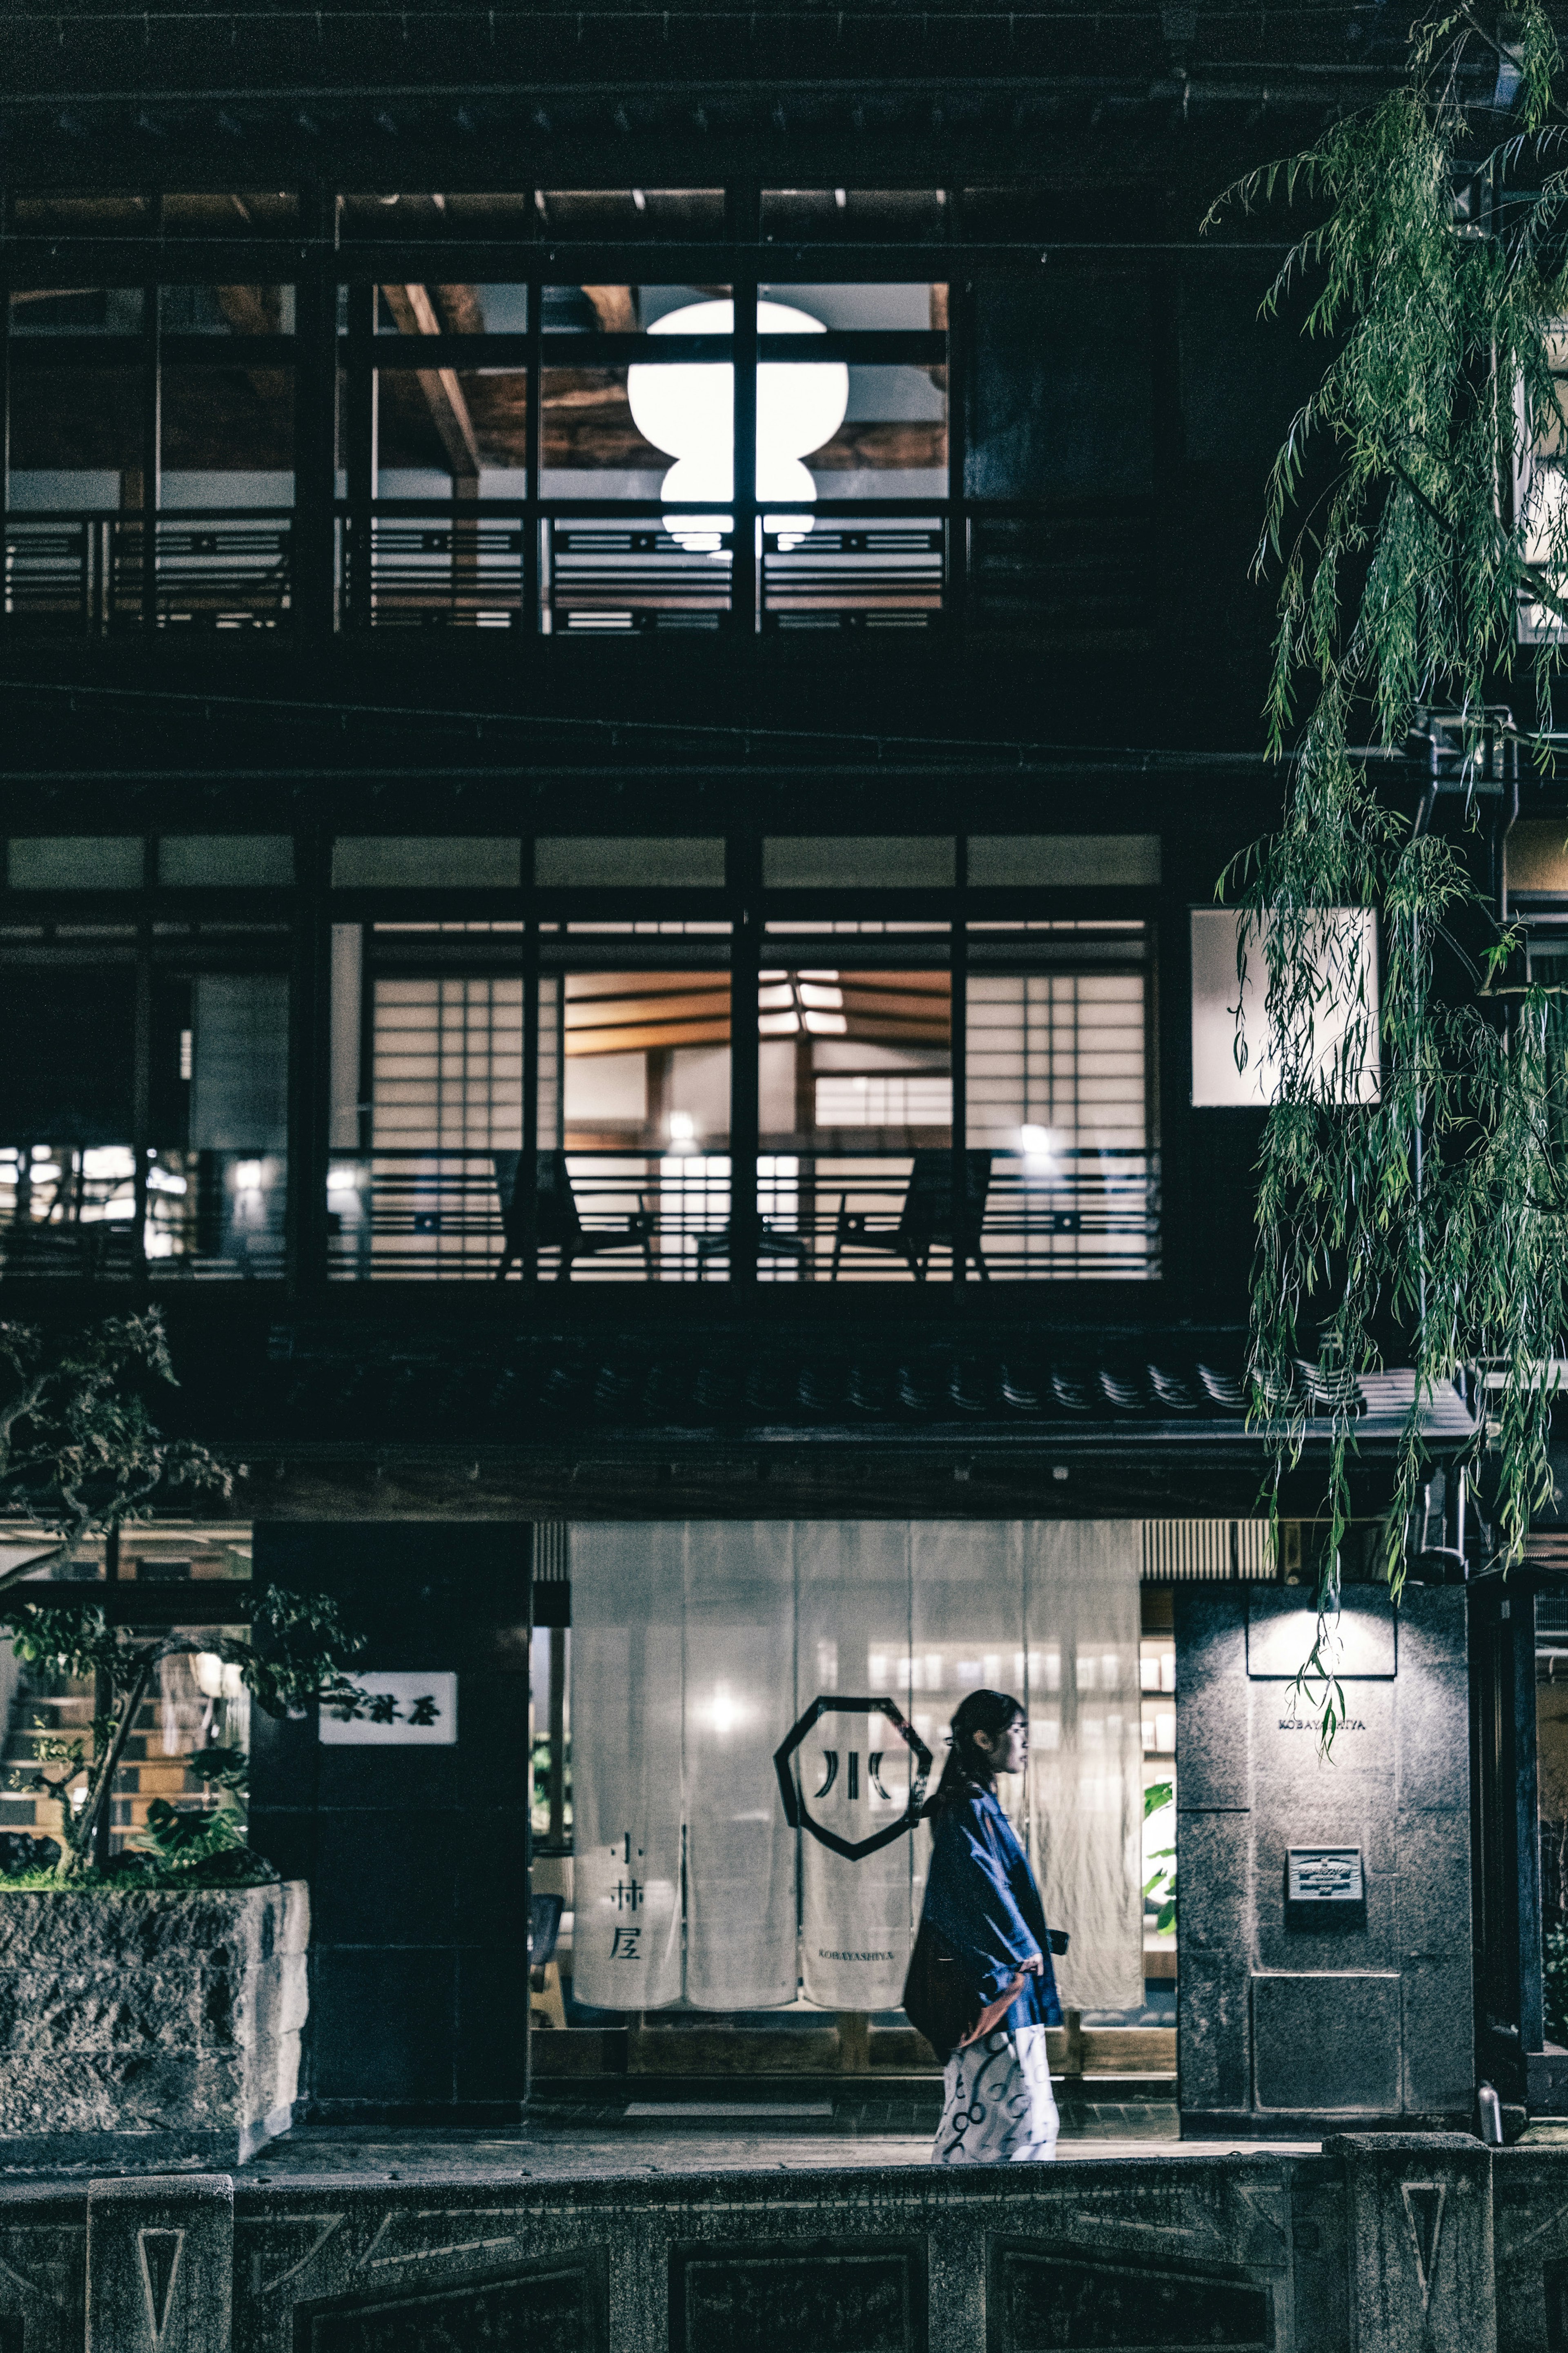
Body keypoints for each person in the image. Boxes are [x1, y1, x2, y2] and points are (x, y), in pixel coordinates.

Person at [919, 1688, 1061, 2163]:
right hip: (995, 1982)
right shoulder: (968, 1805)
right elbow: (981, 1884)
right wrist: (1022, 1945)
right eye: (1017, 1730)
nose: (1025, 1741)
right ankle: (981, 2218)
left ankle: (979, 2213)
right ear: (983, 1738)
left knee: (996, 2109)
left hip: (998, 1980)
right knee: (1010, 2110)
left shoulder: (970, 1802)